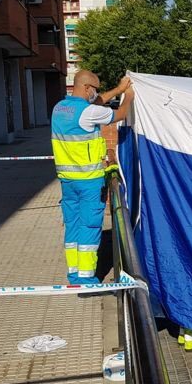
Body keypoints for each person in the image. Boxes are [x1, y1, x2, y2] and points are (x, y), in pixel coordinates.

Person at [51, 70, 134, 285]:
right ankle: (86, 279)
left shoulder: (59, 108)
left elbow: (97, 103)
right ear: (87, 88)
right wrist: (130, 95)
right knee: (89, 227)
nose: (95, 93)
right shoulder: (88, 113)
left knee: (73, 225)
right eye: (94, 89)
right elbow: (121, 114)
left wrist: (118, 89)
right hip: (89, 182)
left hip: (67, 181)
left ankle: (73, 274)